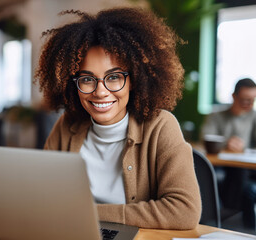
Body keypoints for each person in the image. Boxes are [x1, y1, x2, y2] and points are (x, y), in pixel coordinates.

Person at [35, 8, 201, 229]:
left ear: (135, 79)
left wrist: (90, 213)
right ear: (73, 84)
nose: (100, 92)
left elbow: (184, 211)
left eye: (114, 77)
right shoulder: (67, 126)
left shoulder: (161, 126)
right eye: (87, 79)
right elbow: (42, 197)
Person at [201, 78, 256, 228]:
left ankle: (234, 217)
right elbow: (205, 137)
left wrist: (243, 147)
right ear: (234, 96)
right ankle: (230, 216)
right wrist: (227, 144)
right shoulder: (217, 115)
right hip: (220, 165)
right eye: (245, 99)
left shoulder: (253, 116)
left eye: (252, 100)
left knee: (240, 173)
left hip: (246, 168)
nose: (248, 104)